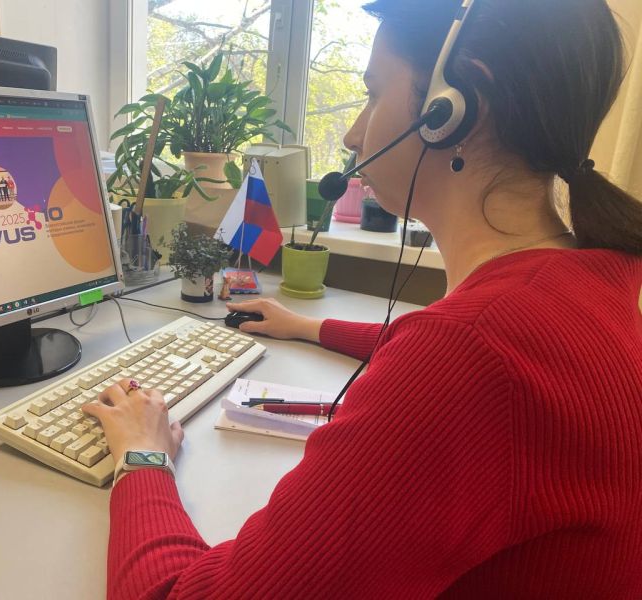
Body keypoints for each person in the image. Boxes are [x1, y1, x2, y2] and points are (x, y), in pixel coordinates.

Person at [82, 0, 642, 597]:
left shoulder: (469, 353)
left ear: (452, 111)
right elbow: (470, 358)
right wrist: (309, 327)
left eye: (373, 94)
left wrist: (142, 453)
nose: (353, 135)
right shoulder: (583, 283)